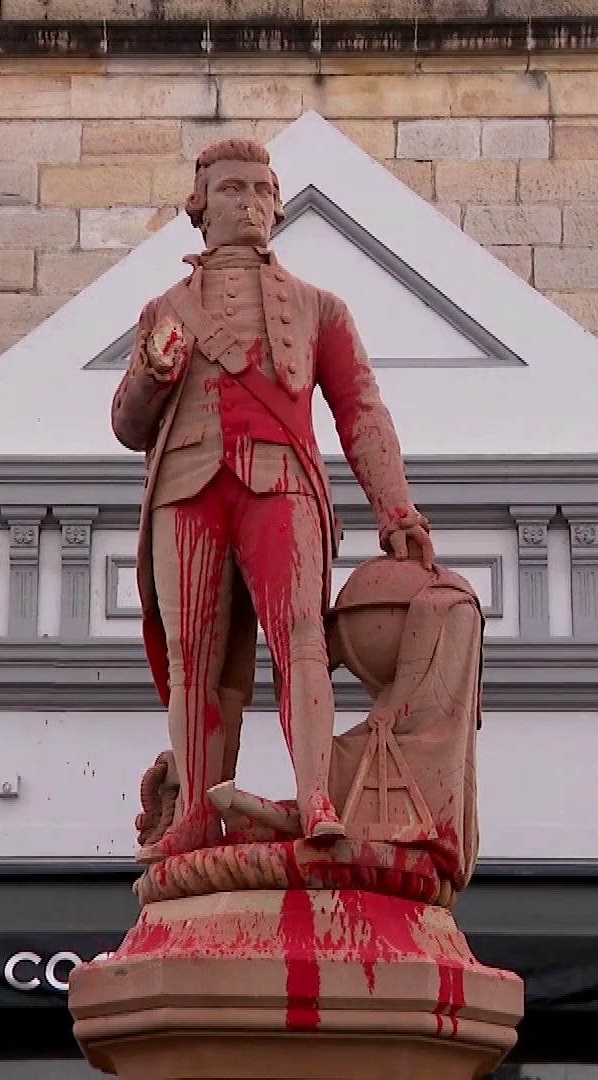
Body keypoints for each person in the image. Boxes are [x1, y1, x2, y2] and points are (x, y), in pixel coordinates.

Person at [110, 137, 434, 863]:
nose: (250, 202)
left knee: (301, 641)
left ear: (279, 205)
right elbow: (129, 425)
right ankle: (195, 809)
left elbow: (360, 410)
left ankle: (316, 796)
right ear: (199, 206)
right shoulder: (162, 311)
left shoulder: (321, 308)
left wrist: (396, 508)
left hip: (281, 481)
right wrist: (154, 375)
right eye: (231, 189)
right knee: (194, 657)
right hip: (187, 490)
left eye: (262, 189)